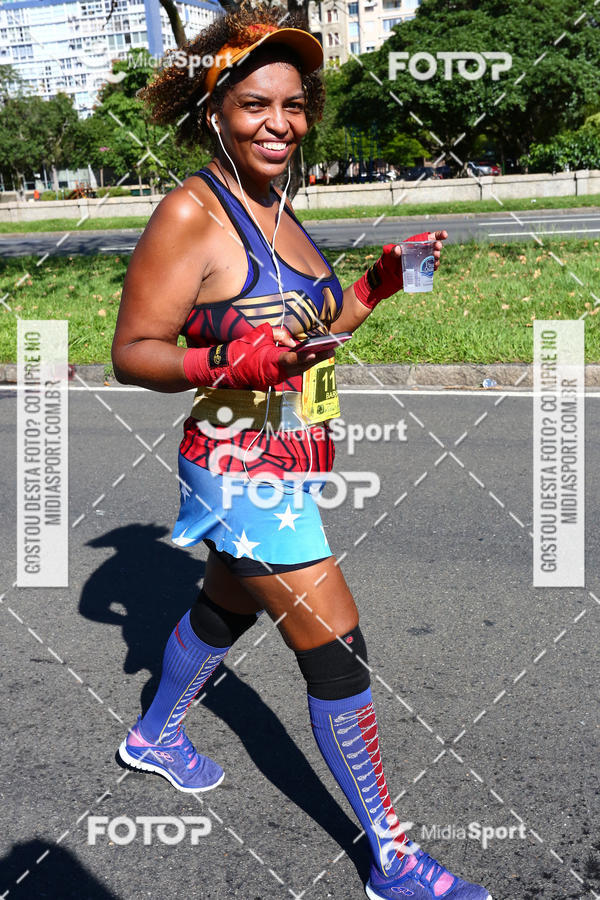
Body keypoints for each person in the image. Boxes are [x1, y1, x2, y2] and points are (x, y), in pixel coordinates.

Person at [111, 5, 491, 899]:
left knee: (224, 609)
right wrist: (226, 359)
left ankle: (152, 735)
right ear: (216, 112)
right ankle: (393, 859)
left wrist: (375, 286)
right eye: (254, 105)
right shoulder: (191, 214)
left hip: (290, 452)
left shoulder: (277, 203)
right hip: (238, 462)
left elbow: (311, 327)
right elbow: (132, 351)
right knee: (339, 648)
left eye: (292, 104)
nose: (279, 122)